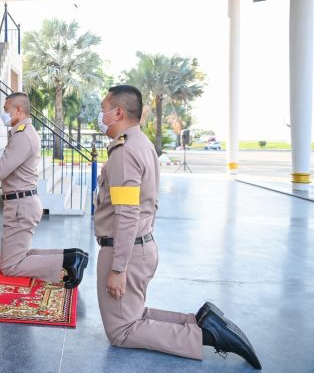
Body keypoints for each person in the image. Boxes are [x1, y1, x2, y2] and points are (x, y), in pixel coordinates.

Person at [93, 85, 261, 369]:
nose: (101, 115)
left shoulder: (123, 151)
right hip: (141, 246)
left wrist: (118, 269)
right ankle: (199, 321)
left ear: (118, 112)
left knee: (122, 331)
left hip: (125, 251)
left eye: (104, 109)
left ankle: (205, 334)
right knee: (134, 313)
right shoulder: (143, 143)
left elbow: (126, 214)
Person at [0, 92, 88, 288]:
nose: (3, 114)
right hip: (20, 204)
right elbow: (7, 169)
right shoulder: (21, 132)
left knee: (11, 266)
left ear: (19, 110)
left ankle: (69, 261)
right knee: (17, 257)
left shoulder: (23, 136)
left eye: (6, 110)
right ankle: (71, 256)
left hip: (21, 206)